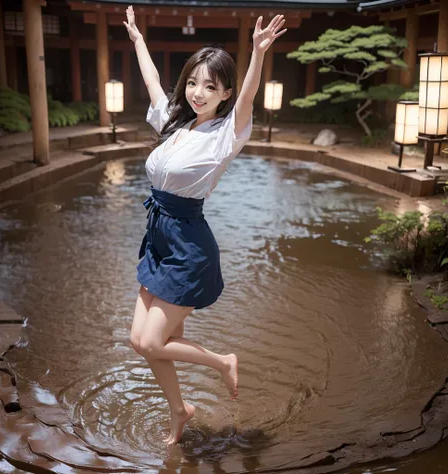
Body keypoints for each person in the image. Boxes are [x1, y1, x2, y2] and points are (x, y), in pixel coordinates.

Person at [123, 5, 287, 445]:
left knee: (155, 343)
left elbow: (250, 94)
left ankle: (222, 361)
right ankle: (181, 410)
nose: (198, 92)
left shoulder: (226, 133)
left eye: (209, 86)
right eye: (193, 82)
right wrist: (138, 40)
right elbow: (154, 82)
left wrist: (256, 53)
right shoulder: (175, 121)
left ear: (225, 93)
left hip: (189, 246)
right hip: (158, 237)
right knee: (139, 340)